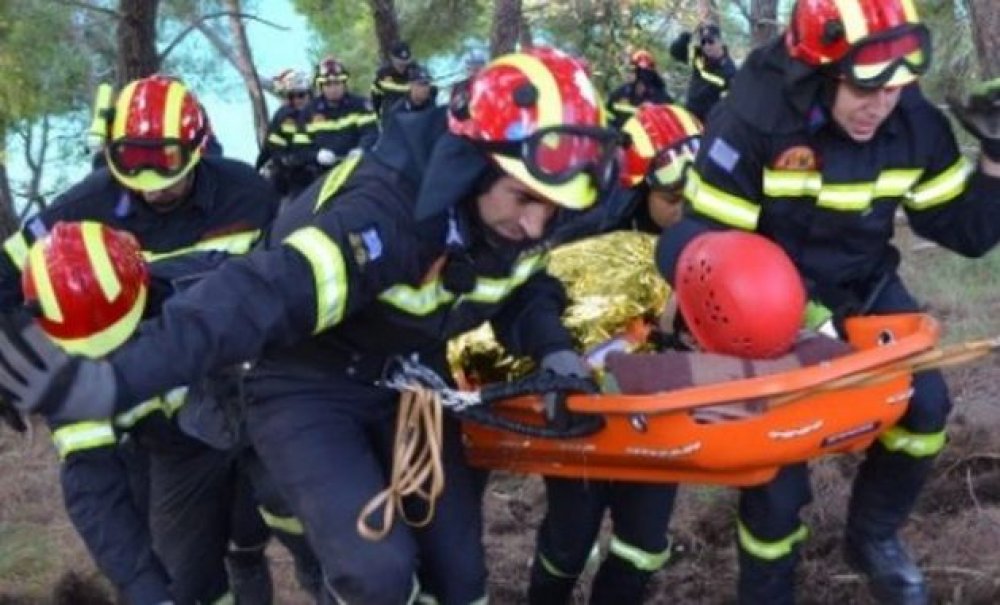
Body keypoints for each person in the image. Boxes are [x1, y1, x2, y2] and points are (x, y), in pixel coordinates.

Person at [1, 46, 622, 605]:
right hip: (306, 381)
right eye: (524, 199)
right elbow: (258, 293)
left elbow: (522, 286)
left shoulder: (526, 213)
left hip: (409, 376)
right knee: (376, 574)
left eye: (552, 209)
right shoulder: (382, 219)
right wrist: (108, 384)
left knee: (459, 572)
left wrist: (554, 351)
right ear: (469, 166)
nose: (537, 226)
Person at [653, 1, 1000, 603]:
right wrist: (804, 322)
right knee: (777, 474)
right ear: (819, 69)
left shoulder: (913, 122)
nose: (880, 105)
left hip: (863, 283)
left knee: (925, 408)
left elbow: (965, 232)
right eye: (865, 88)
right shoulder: (752, 120)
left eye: (895, 88)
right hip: (762, 304)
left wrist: (995, 157)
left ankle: (874, 537)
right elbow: (705, 248)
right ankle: (767, 589)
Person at [0, 74, 283, 604]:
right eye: (131, 164)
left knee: (271, 527)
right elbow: (4, 275)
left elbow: (288, 278)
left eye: (167, 165)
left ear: (198, 148)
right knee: (179, 566)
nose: (152, 184)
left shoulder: (248, 193)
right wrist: (13, 357)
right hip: (156, 417)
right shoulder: (81, 206)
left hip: (255, 394)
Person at [530, 103, 703, 604]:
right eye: (673, 199)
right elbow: (538, 303)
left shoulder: (705, 236)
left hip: (659, 411)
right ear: (636, 190)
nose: (686, 211)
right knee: (570, 538)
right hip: (585, 408)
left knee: (643, 544)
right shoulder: (584, 235)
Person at [304, 57, 378, 173]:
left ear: (344, 83)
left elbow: (371, 132)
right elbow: (300, 146)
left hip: (357, 168)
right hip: (321, 172)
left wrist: (361, 149)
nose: (333, 88)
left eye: (337, 83)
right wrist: (316, 154)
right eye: (328, 84)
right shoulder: (309, 111)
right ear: (321, 86)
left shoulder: (360, 105)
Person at [256, 69, 316, 198]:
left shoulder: (320, 113)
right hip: (286, 175)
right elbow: (270, 146)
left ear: (309, 94)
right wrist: (257, 169)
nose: (297, 100)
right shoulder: (282, 115)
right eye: (291, 96)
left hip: (315, 172)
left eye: (301, 95)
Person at [669, 22, 738, 122]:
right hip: (689, 116)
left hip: (709, 122)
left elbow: (729, 105)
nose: (707, 46)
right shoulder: (698, 56)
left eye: (710, 41)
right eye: (703, 42)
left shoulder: (729, 70)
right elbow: (675, 52)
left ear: (720, 41)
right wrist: (686, 36)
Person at [606, 50, 673, 129]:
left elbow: (669, 123)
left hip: (644, 136)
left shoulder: (662, 98)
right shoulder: (621, 92)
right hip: (618, 134)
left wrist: (654, 111)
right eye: (630, 70)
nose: (629, 74)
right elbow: (608, 113)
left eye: (633, 71)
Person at [371, 40, 417, 124]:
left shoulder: (415, 70)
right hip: (392, 117)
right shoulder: (383, 74)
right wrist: (377, 116)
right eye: (400, 61)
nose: (403, 64)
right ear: (392, 57)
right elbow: (376, 98)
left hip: (414, 115)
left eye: (406, 61)